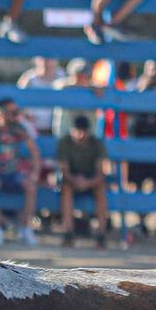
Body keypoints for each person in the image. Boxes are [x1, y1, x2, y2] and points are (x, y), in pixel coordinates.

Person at [0, 97, 42, 247]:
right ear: (2, 112)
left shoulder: (18, 127)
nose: (15, 115)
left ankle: (26, 227)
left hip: (14, 172)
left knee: (31, 186)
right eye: (12, 112)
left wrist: (35, 173)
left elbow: (34, 150)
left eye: (16, 111)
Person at [57, 104, 109, 248]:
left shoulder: (96, 143)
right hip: (72, 179)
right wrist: (77, 181)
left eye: (84, 132)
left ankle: (101, 234)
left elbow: (101, 172)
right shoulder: (65, 143)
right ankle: (68, 232)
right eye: (78, 131)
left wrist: (87, 183)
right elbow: (65, 171)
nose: (81, 135)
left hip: (91, 179)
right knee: (66, 189)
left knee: (101, 189)